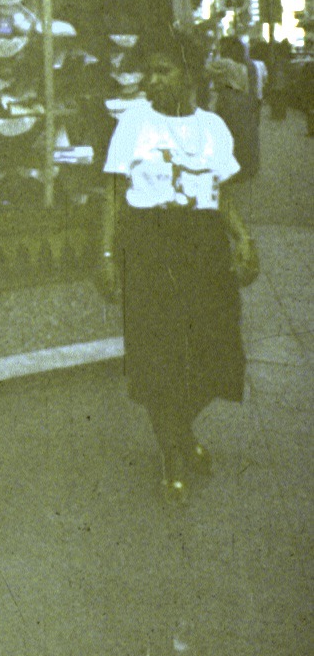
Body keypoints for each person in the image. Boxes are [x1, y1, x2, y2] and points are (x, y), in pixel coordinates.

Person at [98, 29, 257, 501]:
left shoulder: (213, 128)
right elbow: (111, 192)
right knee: (159, 352)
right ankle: (172, 451)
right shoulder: (133, 123)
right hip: (149, 245)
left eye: (162, 71)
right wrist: (106, 254)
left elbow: (223, 192)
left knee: (217, 349)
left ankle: (180, 433)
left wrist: (242, 237)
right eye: (148, 71)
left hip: (204, 247)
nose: (150, 81)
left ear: (188, 76)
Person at [210, 33, 260, 180]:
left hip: (230, 103)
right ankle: (248, 168)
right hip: (245, 103)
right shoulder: (249, 64)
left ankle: (237, 170)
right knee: (246, 137)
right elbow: (254, 87)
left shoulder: (226, 63)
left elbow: (208, 73)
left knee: (233, 136)